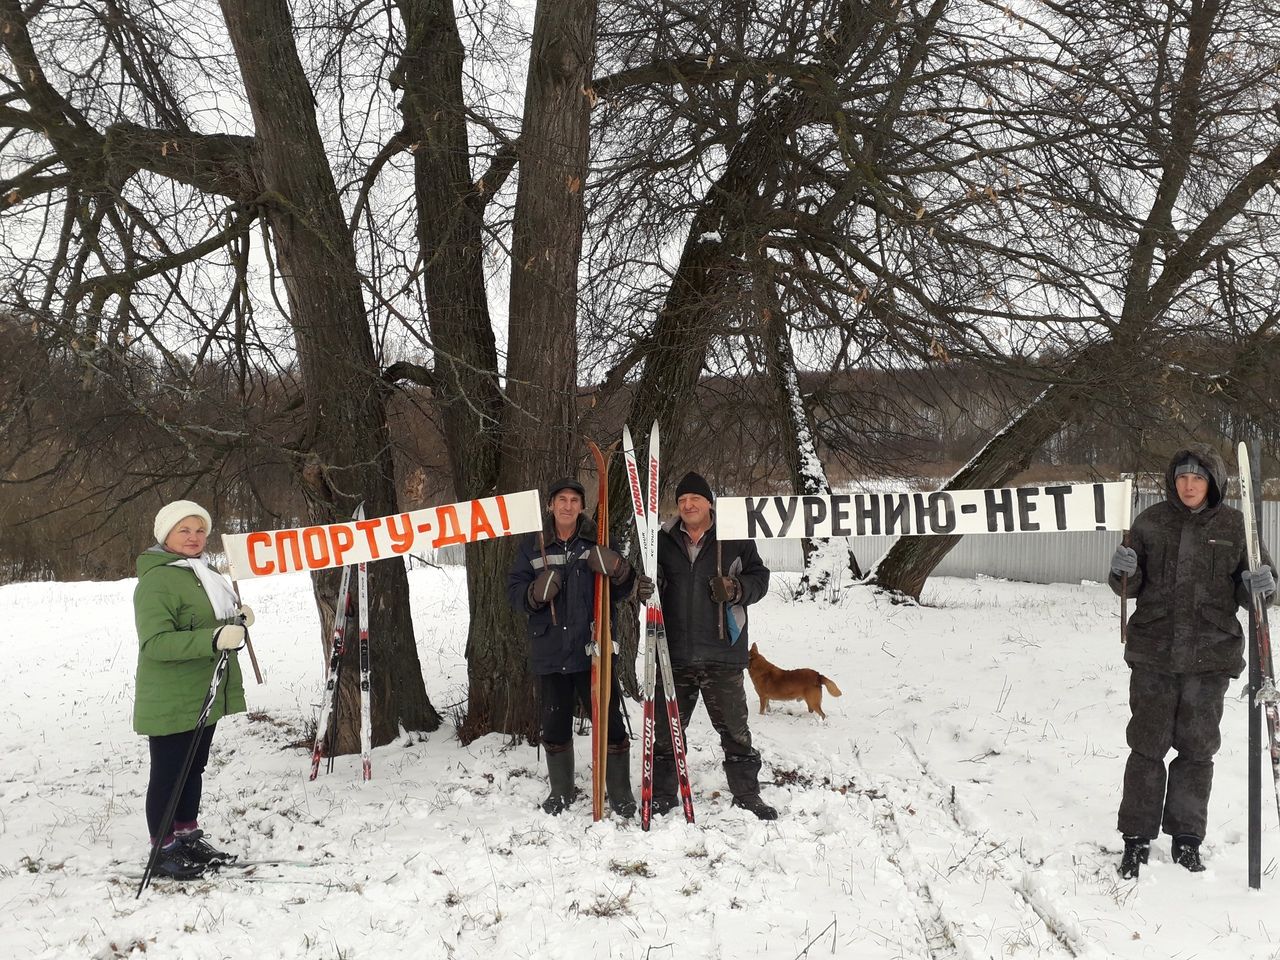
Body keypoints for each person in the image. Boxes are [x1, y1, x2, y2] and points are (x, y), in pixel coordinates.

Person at [1108, 444, 1275, 878]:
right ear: (1172, 480)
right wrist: (1121, 569)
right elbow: (1128, 587)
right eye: (1182, 477)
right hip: (1155, 654)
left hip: (1210, 656)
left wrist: (1263, 584)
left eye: (1197, 478)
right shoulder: (1149, 522)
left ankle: (1186, 838)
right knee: (1146, 746)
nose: (1188, 485)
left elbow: (1257, 594)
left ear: (1213, 483)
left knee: (1198, 750)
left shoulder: (1237, 526)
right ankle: (1136, 838)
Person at [507, 478, 644, 816]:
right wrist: (533, 594)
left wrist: (621, 570)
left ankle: (620, 793)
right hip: (550, 650)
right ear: (551, 505)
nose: (567, 506)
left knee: (610, 722)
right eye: (561, 500)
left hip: (593, 649)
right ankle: (561, 790)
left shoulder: (596, 541)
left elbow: (623, 589)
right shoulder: (534, 545)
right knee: (554, 724)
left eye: (574, 500)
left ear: (582, 507)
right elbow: (514, 590)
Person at [134, 500, 252, 879]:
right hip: (172, 694)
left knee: (193, 768)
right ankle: (162, 848)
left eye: (200, 530)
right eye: (184, 530)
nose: (194, 537)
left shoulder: (202, 572)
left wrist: (236, 619)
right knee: (169, 772)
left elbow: (204, 620)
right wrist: (215, 637)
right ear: (165, 535)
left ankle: (185, 835)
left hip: (203, 690)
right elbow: (156, 642)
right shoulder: (157, 580)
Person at [651, 471, 776, 820]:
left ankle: (747, 795)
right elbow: (644, 579)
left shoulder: (734, 536)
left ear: (709, 502)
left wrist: (736, 588)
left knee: (735, 731)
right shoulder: (660, 540)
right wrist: (647, 588)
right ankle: (662, 793)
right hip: (673, 653)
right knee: (667, 731)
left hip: (723, 651)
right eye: (682, 501)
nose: (688, 505)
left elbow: (760, 579)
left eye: (695, 499)